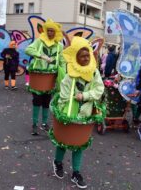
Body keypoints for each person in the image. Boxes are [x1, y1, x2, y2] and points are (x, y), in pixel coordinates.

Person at [50, 37, 105, 189]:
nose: (86, 58)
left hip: (85, 115)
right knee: (63, 141)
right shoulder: (69, 76)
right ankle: (58, 163)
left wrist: (85, 96)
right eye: (83, 56)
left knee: (79, 145)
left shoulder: (94, 73)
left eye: (88, 55)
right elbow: (63, 96)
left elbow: (99, 90)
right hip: (68, 115)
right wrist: (64, 115)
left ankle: (76, 173)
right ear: (76, 58)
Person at [25, 18, 65, 135]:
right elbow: (28, 49)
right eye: (48, 30)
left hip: (51, 78)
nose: (50, 33)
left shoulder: (59, 46)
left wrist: (65, 73)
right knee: (37, 100)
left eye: (52, 31)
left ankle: (44, 123)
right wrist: (41, 56)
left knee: (47, 101)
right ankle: (35, 124)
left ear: (56, 32)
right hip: (38, 77)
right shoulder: (39, 41)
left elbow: (62, 61)